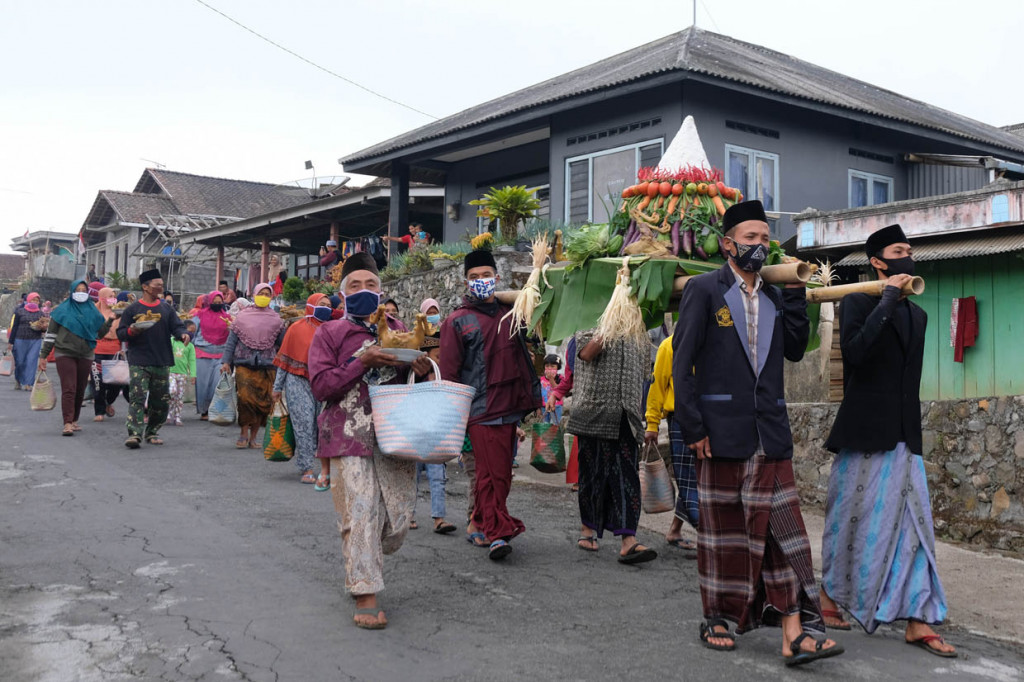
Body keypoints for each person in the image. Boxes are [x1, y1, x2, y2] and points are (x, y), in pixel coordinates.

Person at [672, 200, 843, 665]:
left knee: (787, 533)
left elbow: (792, 350)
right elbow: (681, 364)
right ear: (728, 244)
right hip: (719, 432)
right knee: (723, 532)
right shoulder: (705, 290)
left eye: (765, 240)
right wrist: (693, 428)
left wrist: (793, 295)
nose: (759, 247)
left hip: (770, 431)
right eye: (751, 239)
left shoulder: (771, 295)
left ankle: (797, 631)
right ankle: (719, 617)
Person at [820, 224, 956, 657]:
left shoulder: (920, 315)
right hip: (863, 432)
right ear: (878, 261)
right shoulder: (857, 301)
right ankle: (827, 595)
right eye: (899, 251)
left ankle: (918, 618)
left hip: (903, 437)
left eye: (910, 251)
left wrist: (899, 302)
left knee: (916, 527)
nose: (907, 257)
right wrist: (887, 299)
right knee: (850, 521)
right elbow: (856, 355)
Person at [308, 252, 432, 630]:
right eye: (355, 286)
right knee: (361, 510)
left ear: (382, 291)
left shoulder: (398, 328)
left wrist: (421, 369)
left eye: (371, 285)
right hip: (347, 434)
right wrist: (363, 361)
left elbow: (414, 380)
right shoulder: (329, 333)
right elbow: (321, 386)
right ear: (342, 293)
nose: (364, 291)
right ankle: (365, 591)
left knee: (396, 521)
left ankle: (362, 546)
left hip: (395, 432)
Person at [440, 249, 541, 561]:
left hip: (509, 407)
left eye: (486, 276)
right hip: (480, 410)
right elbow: (450, 375)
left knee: (497, 475)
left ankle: (477, 524)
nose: (480, 281)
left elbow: (536, 328)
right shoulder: (457, 322)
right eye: (474, 277)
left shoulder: (510, 312)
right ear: (466, 282)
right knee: (492, 474)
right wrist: (455, 422)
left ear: (497, 278)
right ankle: (497, 534)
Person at [566, 327, 657, 564]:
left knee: (627, 478)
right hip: (593, 412)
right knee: (592, 474)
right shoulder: (588, 326)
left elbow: (646, 373)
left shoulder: (639, 333)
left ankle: (629, 540)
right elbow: (585, 354)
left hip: (627, 416)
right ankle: (588, 528)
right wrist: (611, 326)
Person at [116, 269, 190, 448]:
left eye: (162, 285)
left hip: (161, 359)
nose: (161, 288)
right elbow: (121, 333)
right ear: (145, 287)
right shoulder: (132, 309)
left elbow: (177, 327)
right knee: (138, 397)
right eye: (158, 285)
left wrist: (183, 335)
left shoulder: (166, 308)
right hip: (139, 359)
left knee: (161, 399)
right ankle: (134, 433)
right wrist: (132, 331)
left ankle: (152, 431)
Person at [38, 280, 114, 436]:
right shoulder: (61, 311)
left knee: (80, 389)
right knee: (69, 388)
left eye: (83, 290)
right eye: (77, 290)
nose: (80, 292)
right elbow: (51, 335)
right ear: (72, 292)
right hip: (65, 352)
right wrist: (43, 356)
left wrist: (111, 320)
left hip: (86, 354)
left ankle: (74, 420)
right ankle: (67, 422)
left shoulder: (92, 311)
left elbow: (99, 333)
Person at [645, 336, 699, 552]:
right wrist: (652, 423)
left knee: (698, 478)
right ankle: (708, 534)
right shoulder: (670, 345)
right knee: (688, 477)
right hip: (681, 418)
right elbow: (658, 384)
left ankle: (675, 529)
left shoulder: (712, 337)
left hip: (712, 417)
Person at [273, 293, 332, 485]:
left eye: (328, 306)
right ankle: (306, 467)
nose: (326, 308)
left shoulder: (331, 330)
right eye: (321, 304)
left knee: (320, 423)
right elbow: (285, 361)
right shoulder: (296, 329)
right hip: (297, 381)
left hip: (322, 381)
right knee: (304, 423)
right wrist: (277, 387)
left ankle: (323, 465)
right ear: (311, 305)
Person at [221, 283, 284, 449]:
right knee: (245, 398)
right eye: (261, 293)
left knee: (263, 403)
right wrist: (226, 362)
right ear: (254, 294)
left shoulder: (276, 320)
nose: (263, 296)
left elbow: (282, 345)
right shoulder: (242, 317)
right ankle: (243, 433)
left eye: (266, 294)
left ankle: (254, 437)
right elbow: (231, 342)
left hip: (268, 366)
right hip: (244, 364)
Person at [409, 328, 457, 534]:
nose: (441, 360)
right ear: (425, 356)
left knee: (438, 477)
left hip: (436, 435)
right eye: (438, 356)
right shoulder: (414, 379)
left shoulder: (444, 378)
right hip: (415, 435)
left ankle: (439, 518)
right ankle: (408, 515)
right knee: (412, 478)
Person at [91, 287, 129, 421]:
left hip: (115, 352)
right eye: (109, 296)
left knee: (116, 383)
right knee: (98, 383)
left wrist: (123, 350)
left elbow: (124, 333)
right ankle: (99, 412)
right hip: (96, 352)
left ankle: (107, 402)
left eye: (114, 296)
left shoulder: (119, 312)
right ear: (102, 298)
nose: (113, 299)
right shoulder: (93, 312)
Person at [192, 291, 231, 420]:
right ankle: (204, 411)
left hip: (221, 354)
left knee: (216, 384)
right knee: (202, 385)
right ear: (209, 302)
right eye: (215, 302)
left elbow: (232, 337)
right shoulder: (199, 316)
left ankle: (213, 410)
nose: (217, 304)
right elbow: (192, 333)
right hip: (202, 354)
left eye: (220, 303)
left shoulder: (227, 317)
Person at [9, 292, 45, 390]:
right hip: (20, 340)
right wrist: (10, 342)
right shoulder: (19, 312)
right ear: (28, 300)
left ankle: (29, 383)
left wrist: (42, 327)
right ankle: (18, 379)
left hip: (35, 340)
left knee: (31, 361)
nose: (35, 302)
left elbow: (44, 328)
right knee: (20, 361)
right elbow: (14, 327)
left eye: (37, 300)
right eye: (33, 300)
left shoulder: (41, 314)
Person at [168, 320, 197, 427]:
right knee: (172, 391)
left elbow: (192, 361)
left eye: (193, 333)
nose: (191, 335)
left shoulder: (190, 346)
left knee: (179, 397)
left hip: (183, 374)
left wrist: (193, 375)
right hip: (170, 372)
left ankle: (177, 416)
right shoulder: (171, 341)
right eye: (189, 332)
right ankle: (169, 412)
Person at [539, 354, 563, 424]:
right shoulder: (541, 379)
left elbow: (558, 390)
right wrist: (538, 407)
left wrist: (551, 379)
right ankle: (547, 435)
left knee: (556, 423)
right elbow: (539, 393)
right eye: (547, 366)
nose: (549, 368)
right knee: (545, 424)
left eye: (552, 366)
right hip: (544, 406)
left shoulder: (560, 378)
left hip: (556, 406)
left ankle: (556, 435)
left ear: (557, 367)